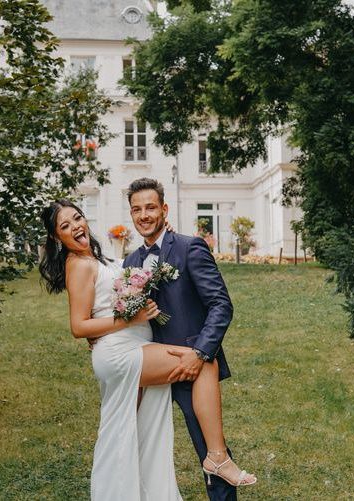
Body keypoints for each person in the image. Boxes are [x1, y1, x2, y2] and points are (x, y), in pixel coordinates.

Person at [39, 199, 256, 501]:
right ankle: (217, 458)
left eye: (77, 218)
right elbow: (78, 326)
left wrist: (164, 238)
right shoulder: (77, 264)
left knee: (131, 432)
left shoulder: (103, 259)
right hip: (120, 353)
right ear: (56, 237)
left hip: (136, 346)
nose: (75, 226)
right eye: (65, 225)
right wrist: (129, 319)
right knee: (203, 360)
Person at [123, 178, 244, 501]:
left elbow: (221, 305)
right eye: (137, 209)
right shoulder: (130, 263)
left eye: (150, 207)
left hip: (190, 367)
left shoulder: (190, 247)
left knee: (211, 450)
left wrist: (200, 353)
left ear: (164, 209)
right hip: (150, 368)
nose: (144, 215)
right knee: (139, 444)